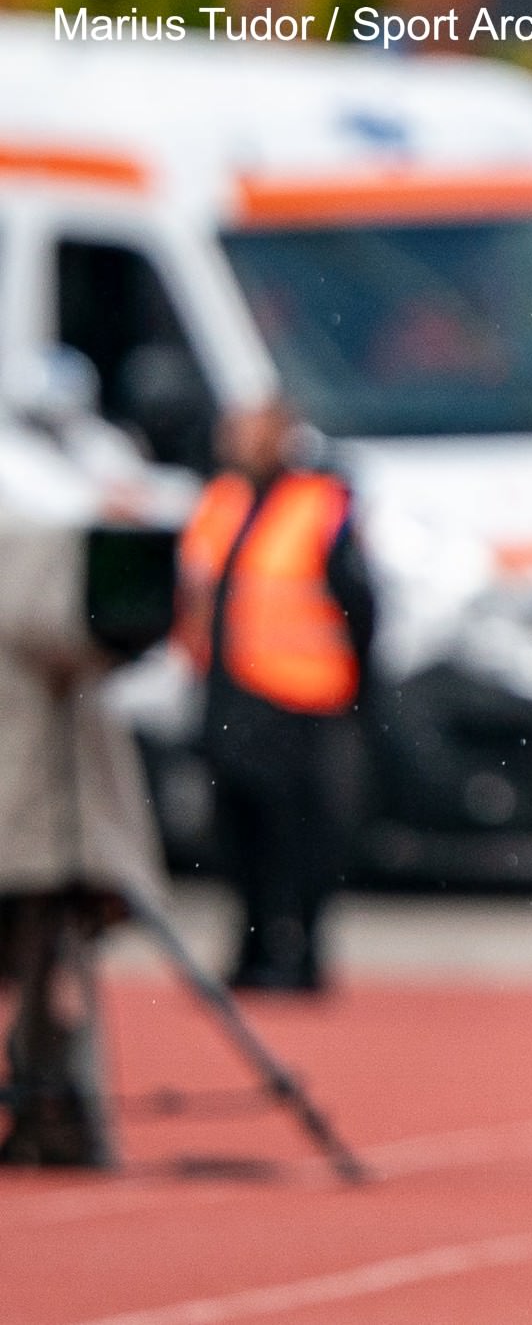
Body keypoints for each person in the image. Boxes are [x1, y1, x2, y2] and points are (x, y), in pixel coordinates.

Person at [0, 347, 188, 1167]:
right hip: (34, 760)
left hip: (60, 758)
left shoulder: (80, 468)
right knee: (40, 943)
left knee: (50, 947)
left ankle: (50, 1094)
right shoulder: (36, 481)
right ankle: (45, 1093)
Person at [173, 401, 375, 992]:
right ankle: (252, 950)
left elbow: (359, 604)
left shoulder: (321, 503)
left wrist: (361, 693)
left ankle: (303, 954)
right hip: (228, 695)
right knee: (236, 834)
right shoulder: (219, 501)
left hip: (300, 701)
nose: (235, 441)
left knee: (302, 836)